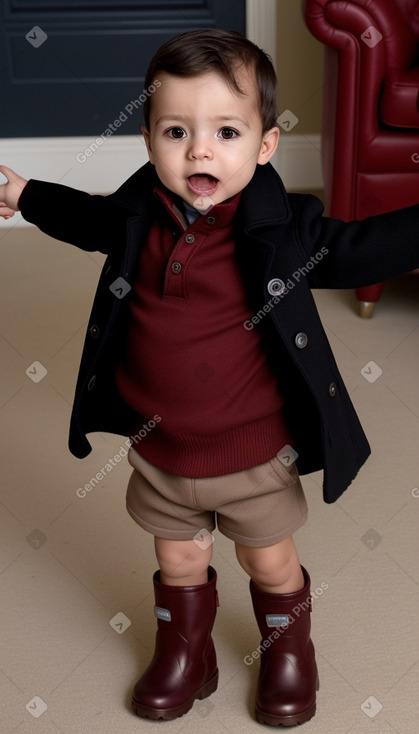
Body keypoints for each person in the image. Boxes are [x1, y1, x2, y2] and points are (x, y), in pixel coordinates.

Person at [1, 28, 418, 728]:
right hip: (161, 449)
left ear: (262, 145)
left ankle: (289, 651)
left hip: (254, 455)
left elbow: (358, 248)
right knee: (178, 561)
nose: (199, 150)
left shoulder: (283, 231)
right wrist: (28, 194)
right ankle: (184, 648)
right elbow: (90, 219)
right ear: (148, 139)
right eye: (176, 131)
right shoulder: (138, 215)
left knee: (271, 563)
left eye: (226, 131)